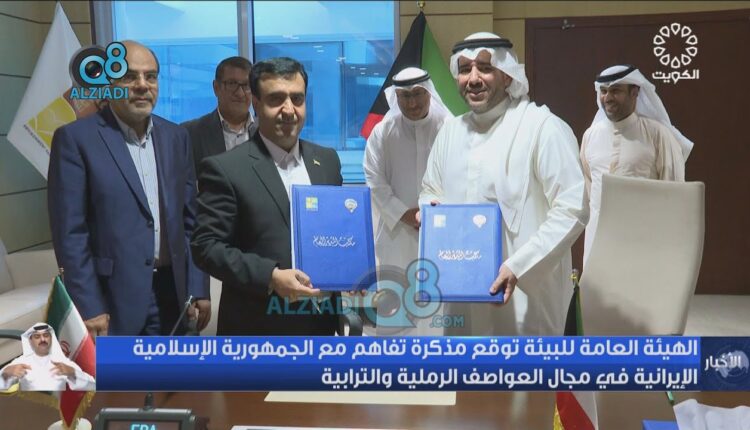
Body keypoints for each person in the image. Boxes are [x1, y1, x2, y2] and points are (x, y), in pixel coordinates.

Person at [419, 32, 588, 337]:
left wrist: (520, 265)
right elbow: (430, 190)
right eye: (465, 69)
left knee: (522, 366)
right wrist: (428, 209)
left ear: (508, 75)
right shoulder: (450, 132)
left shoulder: (542, 127)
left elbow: (573, 207)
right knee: (465, 364)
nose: (473, 78)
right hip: (460, 290)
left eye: (485, 68)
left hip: (524, 293)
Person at [47, 41, 210, 337]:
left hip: (175, 295)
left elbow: (192, 220)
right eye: (129, 76)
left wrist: (198, 287)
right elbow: (70, 233)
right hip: (112, 301)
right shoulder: (75, 139)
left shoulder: (176, 137)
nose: (142, 85)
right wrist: (88, 304)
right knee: (123, 370)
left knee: (180, 369)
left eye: (151, 76)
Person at [191, 57, 344, 335]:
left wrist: (352, 273)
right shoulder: (226, 168)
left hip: (320, 325)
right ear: (256, 103)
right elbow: (206, 247)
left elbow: (336, 232)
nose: (289, 110)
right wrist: (271, 277)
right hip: (257, 327)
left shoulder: (327, 161)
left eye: (297, 99)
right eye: (276, 99)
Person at [363, 67, 451, 335]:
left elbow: (461, 178)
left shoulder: (450, 128)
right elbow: (374, 182)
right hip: (396, 236)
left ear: (429, 92)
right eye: (404, 96)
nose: (412, 103)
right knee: (397, 315)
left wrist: (435, 216)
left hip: (441, 235)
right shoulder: (383, 132)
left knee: (439, 317)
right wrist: (405, 214)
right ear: (396, 97)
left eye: (417, 94)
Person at [580, 64, 691, 265]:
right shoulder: (590, 136)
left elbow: (674, 195)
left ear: (635, 92)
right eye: (603, 91)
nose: (608, 98)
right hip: (598, 245)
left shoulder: (657, 134)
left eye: (616, 91)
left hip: (643, 245)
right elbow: (589, 191)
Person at [182, 56, 257, 176]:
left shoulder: (268, 132)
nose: (240, 93)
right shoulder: (189, 133)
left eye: (246, 85)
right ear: (216, 88)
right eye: (232, 84)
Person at [0, 323, 95, 391]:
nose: (42, 339)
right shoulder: (20, 362)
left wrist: (73, 373)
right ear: (30, 341)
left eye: (46, 335)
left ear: (51, 338)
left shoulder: (63, 362)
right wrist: (5, 373)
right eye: (37, 337)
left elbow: (92, 386)